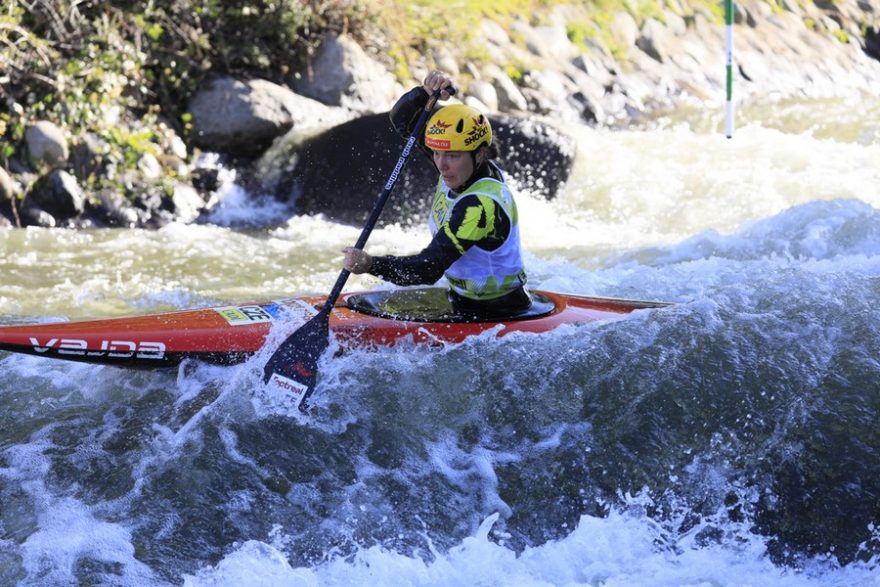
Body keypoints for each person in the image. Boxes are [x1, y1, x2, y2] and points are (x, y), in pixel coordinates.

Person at [342, 71, 531, 318]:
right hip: (461, 299)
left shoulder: (479, 206)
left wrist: (370, 264)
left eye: (452, 155)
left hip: (496, 313)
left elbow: (428, 269)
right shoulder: (461, 169)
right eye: (437, 153)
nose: (441, 165)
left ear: (480, 154)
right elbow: (403, 120)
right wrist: (425, 93)